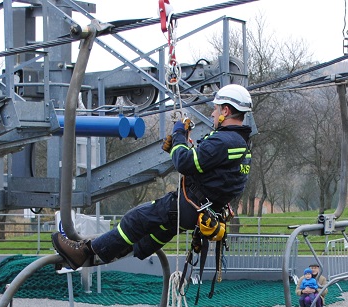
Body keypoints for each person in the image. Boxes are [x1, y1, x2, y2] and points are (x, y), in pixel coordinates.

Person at [50, 84, 253, 269]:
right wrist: (177, 148)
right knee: (157, 231)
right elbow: (210, 170)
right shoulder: (240, 143)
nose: (212, 113)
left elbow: (185, 163)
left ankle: (83, 253)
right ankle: (112, 253)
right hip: (200, 209)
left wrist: (179, 135)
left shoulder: (224, 140)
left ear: (225, 111)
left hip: (190, 205)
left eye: (216, 109)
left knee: (136, 219)